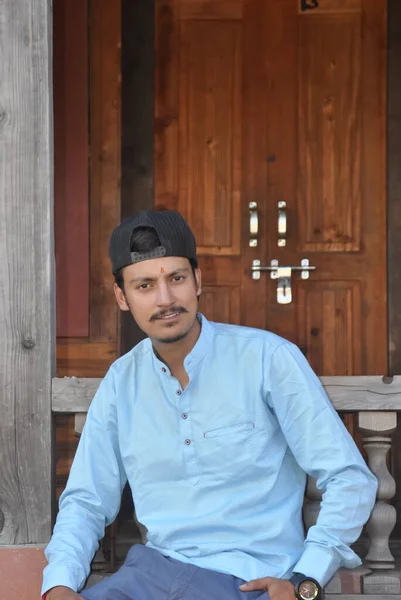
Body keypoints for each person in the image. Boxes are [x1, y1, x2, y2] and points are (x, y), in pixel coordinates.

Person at [42, 210, 377, 600]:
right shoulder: (122, 381)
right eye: (145, 285)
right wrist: (60, 584)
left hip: (247, 581)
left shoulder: (267, 359)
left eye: (177, 279)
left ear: (198, 280)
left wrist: (307, 578)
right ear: (122, 297)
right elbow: (86, 500)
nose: (165, 299)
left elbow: (348, 477)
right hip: (149, 575)